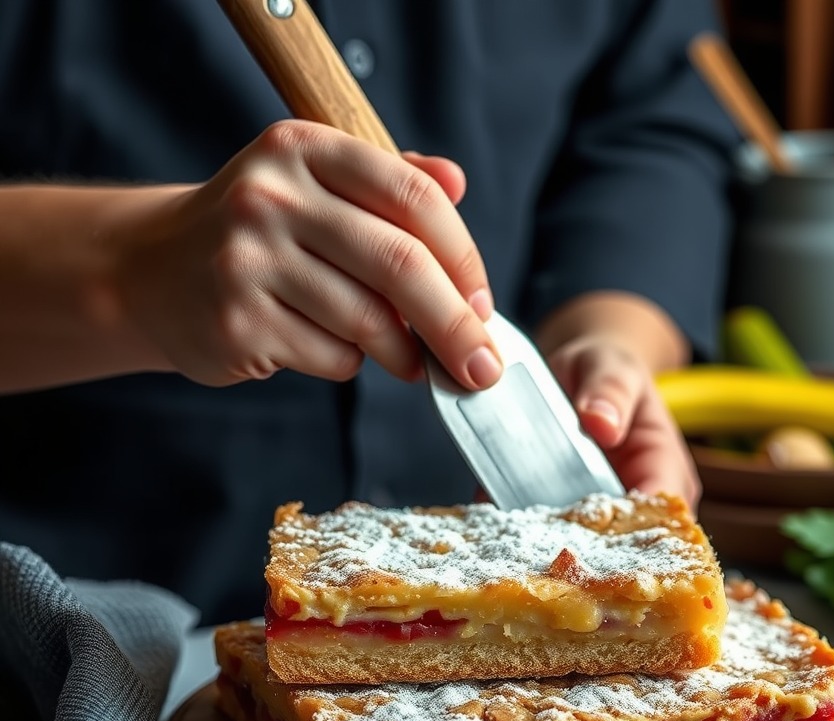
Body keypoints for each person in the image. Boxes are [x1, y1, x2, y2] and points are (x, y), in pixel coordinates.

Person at [0, 0, 739, 624]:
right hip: (59, 636)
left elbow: (647, 121)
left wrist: (610, 337)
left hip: (483, 607)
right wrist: (126, 269)